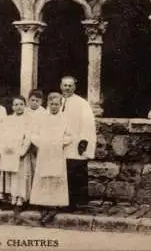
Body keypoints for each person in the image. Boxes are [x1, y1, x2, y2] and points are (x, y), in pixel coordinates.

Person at [30, 92, 72, 224]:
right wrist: (42, 142)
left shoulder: (64, 119)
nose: (54, 107)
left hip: (57, 153)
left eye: (57, 104)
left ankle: (54, 205)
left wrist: (60, 142)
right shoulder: (42, 118)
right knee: (44, 178)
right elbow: (34, 134)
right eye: (52, 104)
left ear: (60, 105)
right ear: (48, 104)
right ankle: (43, 205)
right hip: (44, 152)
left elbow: (70, 136)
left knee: (56, 178)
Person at [59, 76, 97, 209]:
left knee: (75, 171)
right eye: (65, 85)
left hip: (76, 143)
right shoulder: (56, 102)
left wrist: (84, 141)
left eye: (70, 86)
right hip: (61, 144)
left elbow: (88, 124)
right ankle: (62, 200)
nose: (67, 88)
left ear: (74, 87)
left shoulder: (82, 103)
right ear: (61, 86)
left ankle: (76, 202)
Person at [0, 96, 32, 209]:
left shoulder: (28, 120)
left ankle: (20, 199)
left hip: (20, 152)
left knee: (20, 176)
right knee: (11, 175)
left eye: (21, 104)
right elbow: (3, 134)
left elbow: (28, 137)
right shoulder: (8, 119)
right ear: (12, 107)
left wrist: (22, 151)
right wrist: (5, 147)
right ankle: (12, 198)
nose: (18, 107)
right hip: (9, 151)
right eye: (16, 105)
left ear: (25, 106)